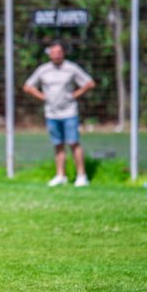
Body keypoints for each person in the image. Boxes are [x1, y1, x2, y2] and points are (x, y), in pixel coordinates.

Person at [23, 41, 96, 187]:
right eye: (53, 52)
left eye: (59, 52)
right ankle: (60, 175)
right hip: (51, 113)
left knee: (73, 143)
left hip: (69, 112)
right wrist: (43, 97)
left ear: (63, 53)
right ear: (49, 54)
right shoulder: (43, 70)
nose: (56, 55)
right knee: (58, 144)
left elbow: (90, 83)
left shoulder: (71, 68)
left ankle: (81, 176)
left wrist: (75, 94)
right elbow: (28, 87)